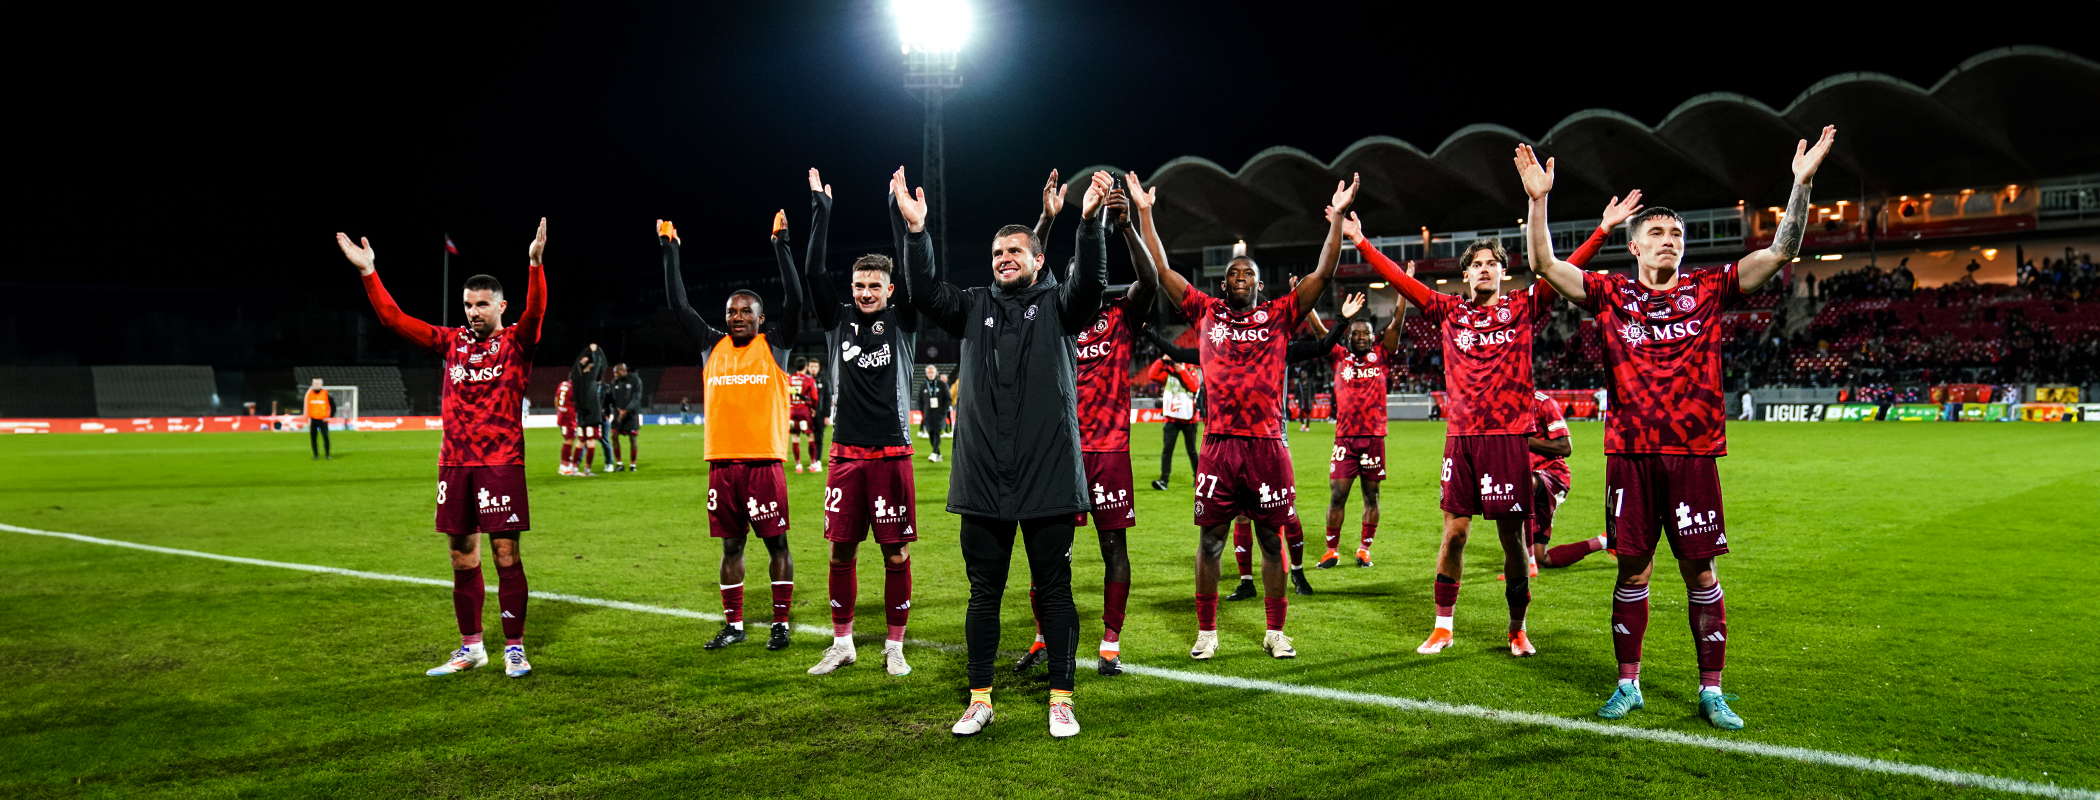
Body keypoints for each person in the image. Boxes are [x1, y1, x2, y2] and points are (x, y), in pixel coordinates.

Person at [1516, 125, 1838, 730]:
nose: (1670, 241)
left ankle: (1712, 691)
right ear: (1635, 246)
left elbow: (1780, 251)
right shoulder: (1609, 293)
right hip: (1630, 456)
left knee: (1701, 573)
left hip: (1693, 454)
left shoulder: (1709, 288)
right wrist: (1539, 201)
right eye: (1658, 234)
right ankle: (1628, 685)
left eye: (1677, 235)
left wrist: (1801, 185)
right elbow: (1544, 265)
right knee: (1632, 570)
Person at [1341, 190, 1640, 659]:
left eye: (1492, 263)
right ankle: (1443, 627)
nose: (1484, 269)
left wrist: (1603, 229)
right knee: (1455, 533)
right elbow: (1400, 279)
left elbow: (1563, 269)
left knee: (1512, 539)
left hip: (1507, 441)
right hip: (1461, 440)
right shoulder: (1448, 311)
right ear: (1465, 274)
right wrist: (1361, 242)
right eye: (1476, 264)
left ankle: (1517, 629)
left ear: (1504, 272)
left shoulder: (1524, 305)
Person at [896, 166, 1109, 739]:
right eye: (996, 252)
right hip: (983, 477)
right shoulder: (971, 305)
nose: (1004, 258)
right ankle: (979, 698)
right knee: (983, 595)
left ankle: (1061, 699)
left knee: (1055, 592)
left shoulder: (1060, 304)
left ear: (1038, 260)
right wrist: (917, 234)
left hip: (1048, 475)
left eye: (1015, 250)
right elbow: (923, 292)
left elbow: (1091, 286)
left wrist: (1089, 223)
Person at [1152, 172, 1359, 662]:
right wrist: (1144, 211)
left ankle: (1275, 631)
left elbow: (1323, 273)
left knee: (1271, 539)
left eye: (1247, 273)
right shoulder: (1206, 313)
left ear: (1260, 285)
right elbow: (1161, 270)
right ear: (1223, 284)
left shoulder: (1280, 315)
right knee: (1211, 541)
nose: (1239, 277)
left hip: (1268, 446)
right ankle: (1207, 631)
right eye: (1233, 274)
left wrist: (1336, 219)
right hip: (1219, 445)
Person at [333, 218, 548, 680]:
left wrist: (535, 265)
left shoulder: (516, 343)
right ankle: (472, 647)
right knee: (461, 555)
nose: (473, 311)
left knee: (505, 555)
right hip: (454, 464)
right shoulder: (450, 343)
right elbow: (394, 320)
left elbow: (535, 314)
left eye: (482, 304)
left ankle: (514, 648)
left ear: (500, 306)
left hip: (501, 463)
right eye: (468, 304)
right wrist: (369, 271)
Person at [1015, 170, 1159, 678]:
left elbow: (1151, 281)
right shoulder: (1051, 313)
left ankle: (1110, 645)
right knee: (1049, 553)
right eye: (1079, 270)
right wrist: (1047, 220)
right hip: (1058, 453)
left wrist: (1126, 226)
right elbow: (1026, 270)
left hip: (1109, 453)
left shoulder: (1121, 316)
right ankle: (1041, 636)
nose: (1087, 279)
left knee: (1113, 548)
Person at [659, 203, 804, 653]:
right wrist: (670, 252)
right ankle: (734, 625)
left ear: (761, 318)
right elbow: (678, 305)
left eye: (745, 312)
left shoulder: (775, 345)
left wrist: (781, 246)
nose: (737, 317)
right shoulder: (711, 345)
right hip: (722, 467)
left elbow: (796, 302)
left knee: (777, 545)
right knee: (730, 549)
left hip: (764, 465)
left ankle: (780, 624)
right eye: (731, 311)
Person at [799, 168, 923, 678]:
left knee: (895, 555)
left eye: (874, 285)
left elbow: (912, 270)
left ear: (889, 289)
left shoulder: (903, 318)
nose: (866, 292)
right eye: (859, 285)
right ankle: (842, 643)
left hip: (892, 452)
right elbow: (813, 272)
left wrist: (897, 211)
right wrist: (821, 212)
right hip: (846, 453)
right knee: (841, 550)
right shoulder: (838, 319)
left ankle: (895, 646)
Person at [1145, 301, 1346, 600]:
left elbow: (1322, 346)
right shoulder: (1220, 348)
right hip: (1230, 441)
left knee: (1287, 515)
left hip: (1272, 438)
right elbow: (1179, 353)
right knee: (1240, 514)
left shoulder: (1277, 344)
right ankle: (1246, 581)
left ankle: (1298, 572)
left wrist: (1341, 320)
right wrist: (1149, 332)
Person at [1320, 290, 1405, 571]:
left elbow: (1397, 322)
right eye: (1355, 334)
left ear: (1372, 336)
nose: (1360, 337)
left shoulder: (1381, 355)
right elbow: (1319, 331)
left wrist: (1404, 290)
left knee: (1372, 496)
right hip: (1344, 439)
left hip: (1373, 439)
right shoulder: (1338, 357)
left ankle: (1364, 550)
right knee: (1337, 495)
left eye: (1365, 333)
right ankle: (1331, 551)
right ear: (1348, 338)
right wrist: (1304, 303)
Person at [1149, 351, 1201, 490]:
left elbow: (1194, 387)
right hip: (1172, 419)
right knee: (1167, 450)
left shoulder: (1191, 370)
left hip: (1189, 420)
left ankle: (1198, 479)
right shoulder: (1169, 374)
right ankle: (1163, 481)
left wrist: (1182, 371)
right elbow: (1152, 375)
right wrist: (1161, 360)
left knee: (1192, 451)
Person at [569, 346, 604, 475]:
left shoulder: (577, 379)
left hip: (582, 415)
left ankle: (574, 468)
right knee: (591, 442)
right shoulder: (589, 378)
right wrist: (594, 351)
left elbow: (576, 367)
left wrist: (585, 353)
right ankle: (587, 470)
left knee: (581, 441)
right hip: (592, 415)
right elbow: (600, 362)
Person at [608, 363, 643, 471]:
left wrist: (627, 410)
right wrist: (608, 410)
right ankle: (619, 464)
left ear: (623, 370)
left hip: (631, 415)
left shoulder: (635, 381)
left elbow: (636, 398)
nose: (615, 375)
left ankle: (633, 465)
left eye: (616, 372)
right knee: (614, 436)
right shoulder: (614, 382)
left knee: (632, 438)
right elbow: (610, 397)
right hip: (618, 414)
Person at [787, 358, 819, 473]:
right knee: (810, 436)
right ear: (806, 367)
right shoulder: (809, 379)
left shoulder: (789, 379)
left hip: (792, 411)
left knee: (795, 437)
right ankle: (813, 464)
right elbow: (815, 397)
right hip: (804, 411)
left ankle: (798, 466)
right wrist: (813, 408)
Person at [918, 365, 949, 461]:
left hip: (939, 415)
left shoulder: (941, 385)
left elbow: (948, 399)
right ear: (926, 373)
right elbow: (919, 400)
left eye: (932, 372)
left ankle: (934, 453)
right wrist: (923, 411)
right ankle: (938, 454)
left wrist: (943, 411)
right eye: (929, 372)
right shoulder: (923, 386)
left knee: (936, 433)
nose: (930, 374)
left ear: (936, 373)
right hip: (928, 415)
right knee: (931, 434)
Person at [804, 360, 829, 465]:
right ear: (808, 368)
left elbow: (828, 398)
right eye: (811, 366)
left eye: (815, 366)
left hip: (820, 414)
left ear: (819, 368)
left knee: (819, 437)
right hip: (807, 414)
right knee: (810, 438)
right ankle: (812, 460)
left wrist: (827, 415)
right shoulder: (804, 380)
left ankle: (817, 460)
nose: (813, 369)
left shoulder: (824, 381)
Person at [304, 378, 335, 460]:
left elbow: (333, 405)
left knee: (325, 437)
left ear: (321, 384)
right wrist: (308, 417)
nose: (316, 385)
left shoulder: (326, 393)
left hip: (323, 420)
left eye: (318, 383)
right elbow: (308, 406)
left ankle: (327, 455)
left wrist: (330, 416)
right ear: (312, 384)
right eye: (315, 383)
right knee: (313, 438)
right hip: (313, 419)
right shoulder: (309, 394)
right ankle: (315, 455)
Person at [555, 378, 579, 475]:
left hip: (563, 416)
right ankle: (564, 465)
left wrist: (559, 411)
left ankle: (565, 464)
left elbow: (556, 399)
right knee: (569, 440)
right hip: (568, 417)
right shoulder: (573, 387)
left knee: (568, 439)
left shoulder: (563, 384)